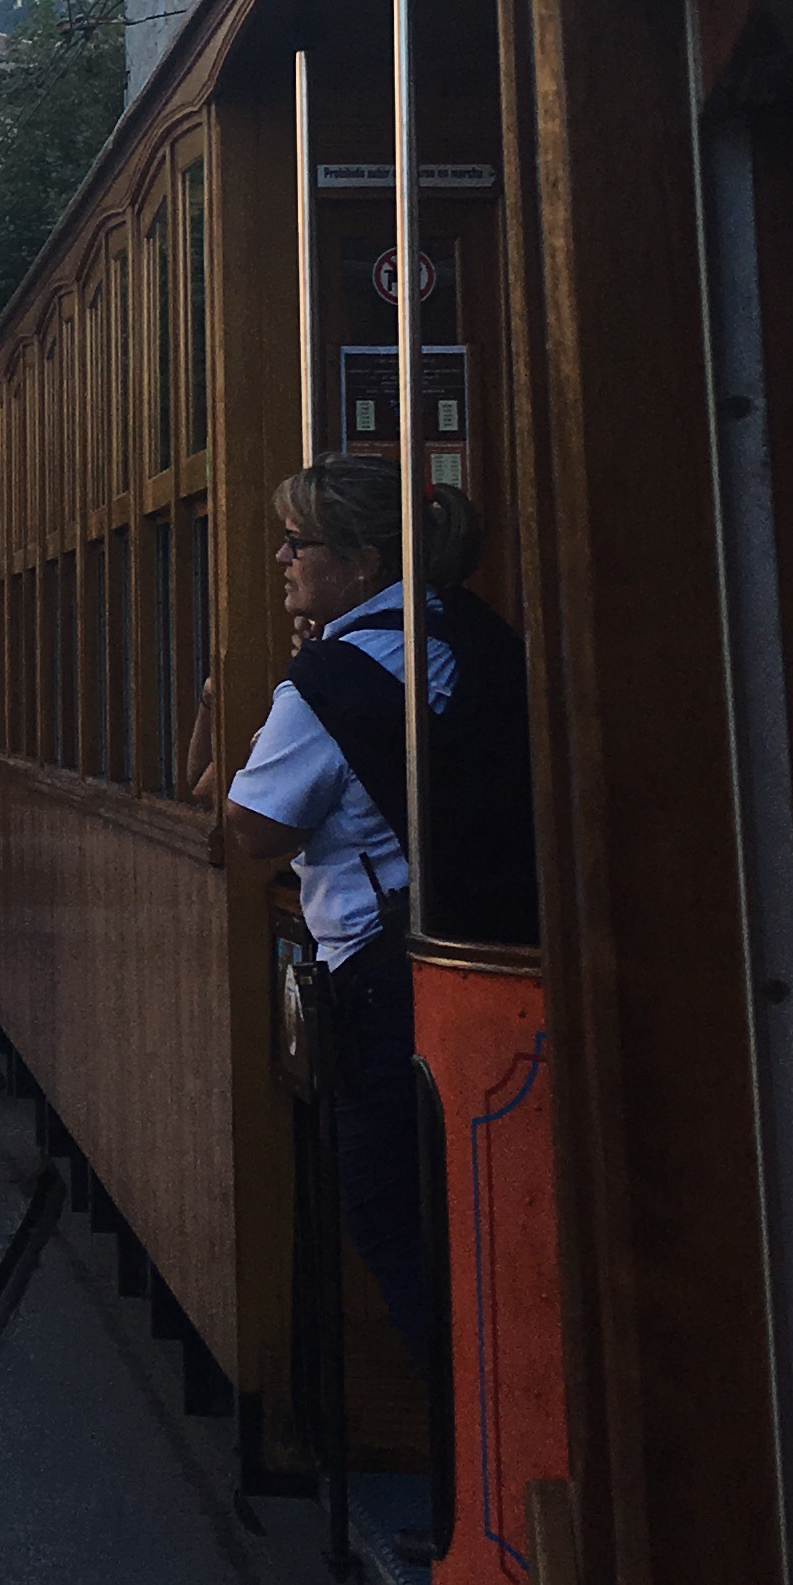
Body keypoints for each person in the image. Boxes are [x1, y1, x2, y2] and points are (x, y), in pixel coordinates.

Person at [213, 455, 540, 1362]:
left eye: (298, 543)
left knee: (395, 1224)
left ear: (362, 563)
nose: (283, 559)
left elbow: (254, 827)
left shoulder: (330, 678)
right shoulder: (471, 634)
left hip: (381, 980)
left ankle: (454, 1413)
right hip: (498, 961)